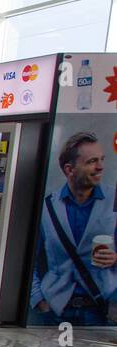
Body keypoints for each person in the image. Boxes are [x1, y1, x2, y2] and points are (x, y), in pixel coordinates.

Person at [30, 131, 117, 326]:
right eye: (92, 161)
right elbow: (30, 261)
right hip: (56, 312)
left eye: (101, 159)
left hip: (103, 314)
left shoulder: (114, 200)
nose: (100, 166)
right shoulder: (47, 207)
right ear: (70, 170)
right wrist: (40, 301)